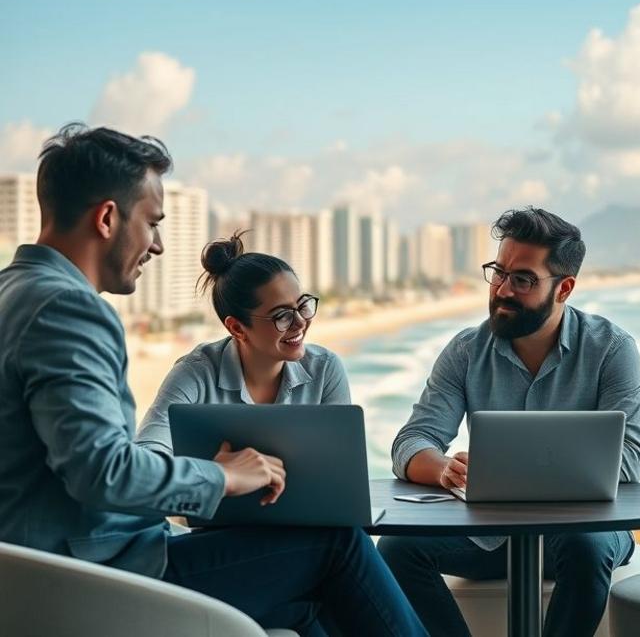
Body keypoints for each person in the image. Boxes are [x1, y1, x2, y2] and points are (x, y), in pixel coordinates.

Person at [0, 123, 425, 637]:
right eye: (152, 223)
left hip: (51, 570)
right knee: (337, 546)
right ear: (107, 218)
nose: (157, 245)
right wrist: (223, 475)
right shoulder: (68, 307)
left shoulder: (13, 291)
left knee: (308, 609)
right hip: (97, 577)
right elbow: (102, 472)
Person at [379, 207, 640, 637]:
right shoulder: (466, 350)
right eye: (498, 273)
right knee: (396, 548)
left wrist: (519, 475)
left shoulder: (612, 349)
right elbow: (412, 441)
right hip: (490, 537)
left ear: (563, 288)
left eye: (522, 279)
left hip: (583, 532)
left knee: (586, 545)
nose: (503, 290)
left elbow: (631, 457)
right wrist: (444, 469)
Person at [138, 231, 350, 455]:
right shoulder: (196, 374)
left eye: (302, 305)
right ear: (237, 328)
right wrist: (220, 471)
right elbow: (146, 453)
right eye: (282, 315)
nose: (301, 323)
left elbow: (343, 459)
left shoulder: (325, 369)